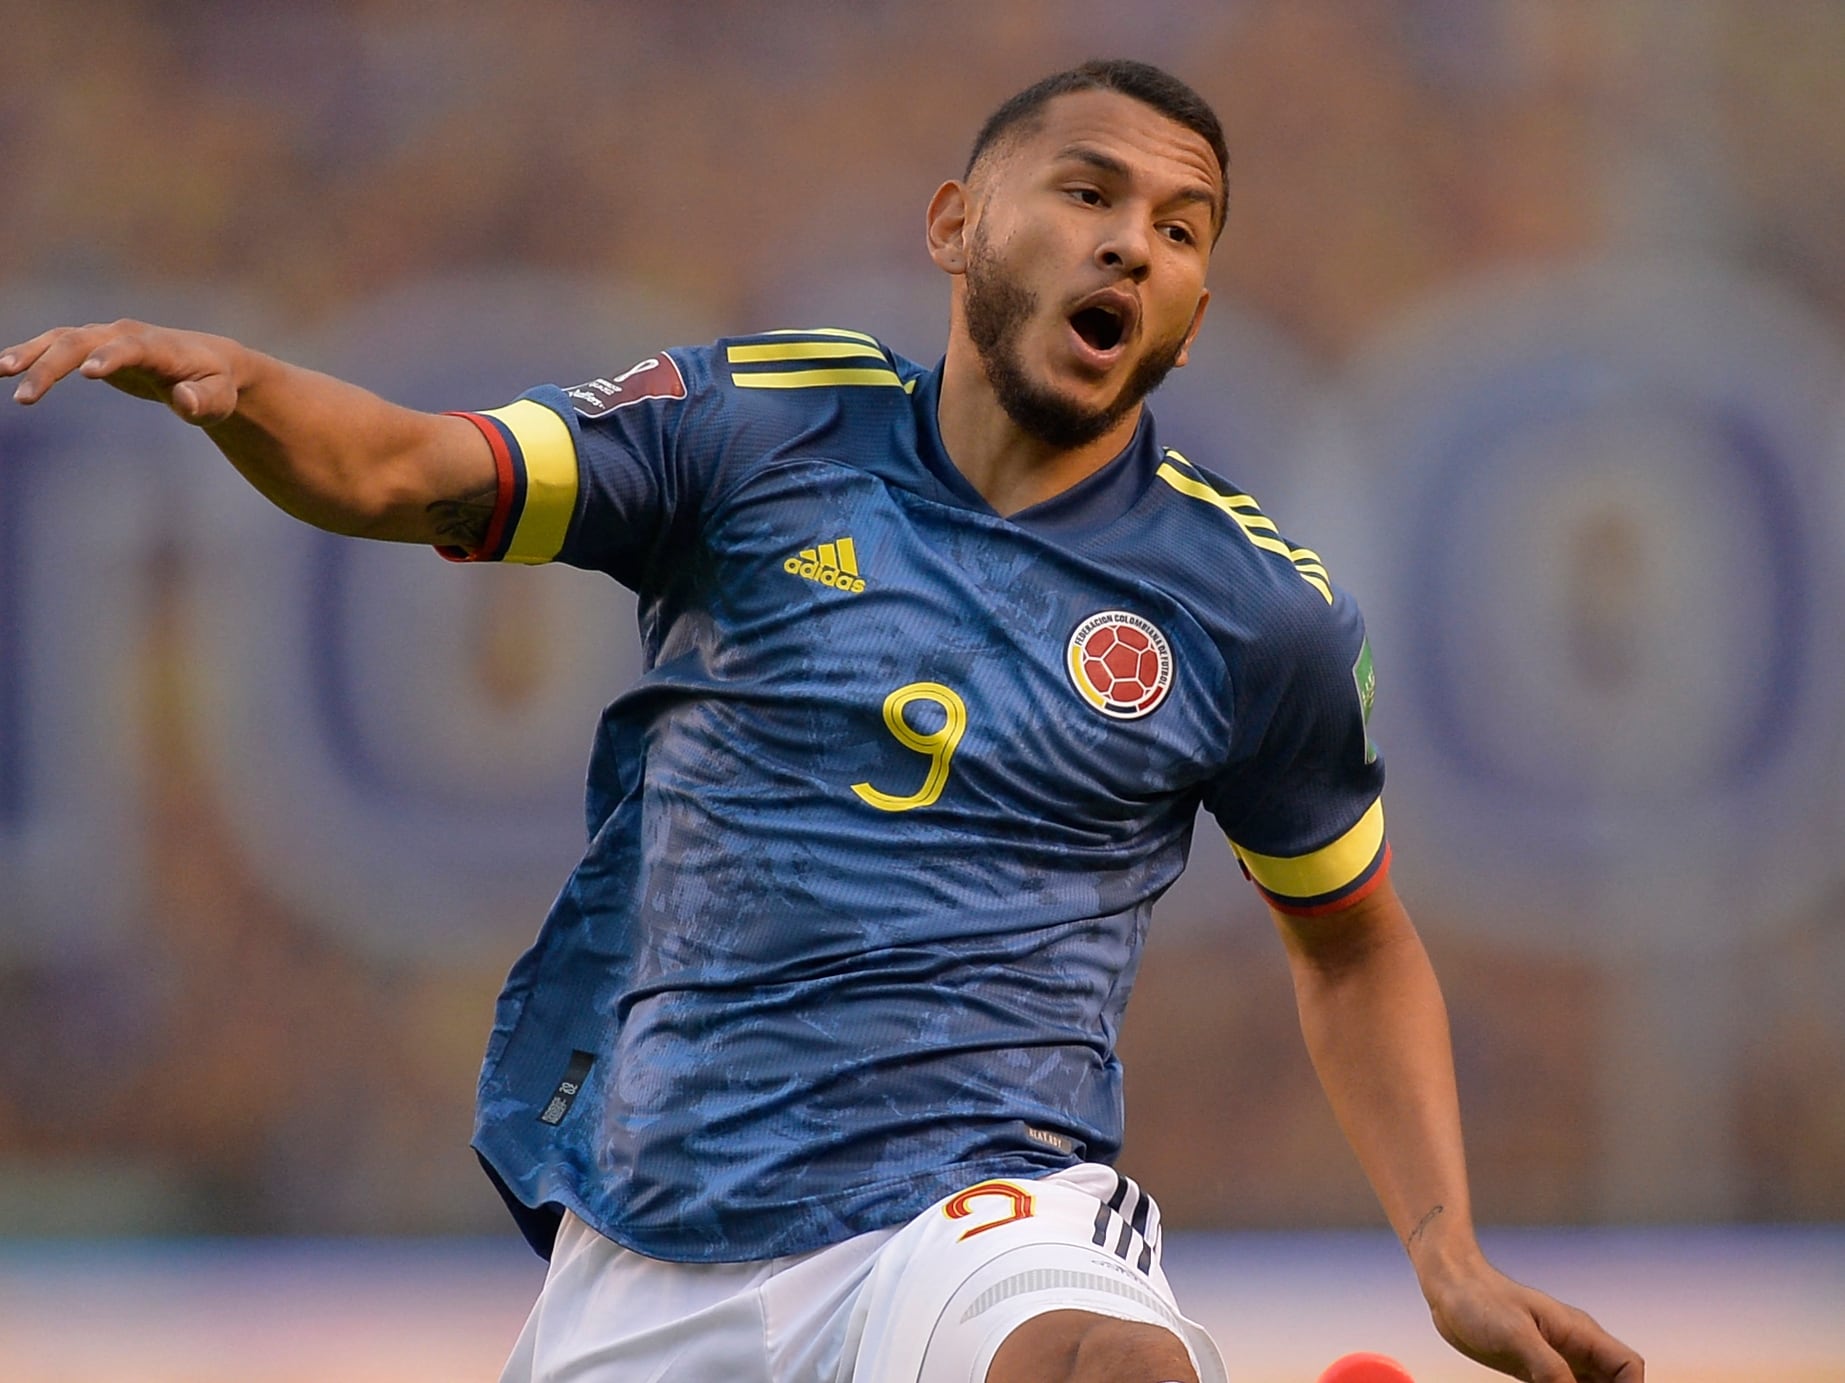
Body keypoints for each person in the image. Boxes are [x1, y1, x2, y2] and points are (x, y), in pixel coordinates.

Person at [2, 59, 1641, 1383]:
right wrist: (239, 382)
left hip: (981, 1206)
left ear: (1194, 304)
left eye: (1186, 226)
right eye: (1088, 193)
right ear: (953, 222)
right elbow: (396, 469)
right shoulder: (756, 431)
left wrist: (1445, 1252)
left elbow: (1351, 941)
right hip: (655, 1231)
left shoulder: (1249, 612)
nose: (1136, 243)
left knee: (1092, 1361)